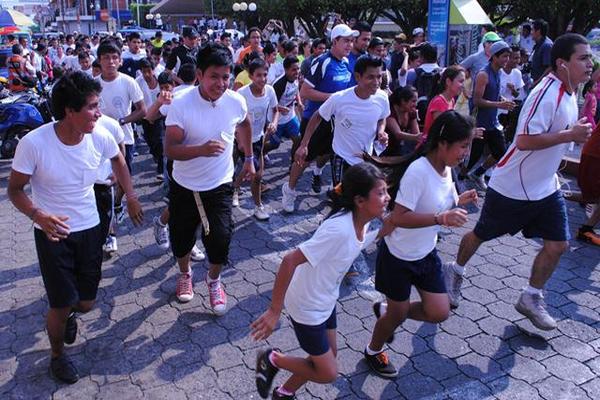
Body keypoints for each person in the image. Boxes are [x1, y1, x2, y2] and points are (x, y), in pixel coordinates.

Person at [443, 33, 594, 331]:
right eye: (584, 58)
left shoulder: (570, 92)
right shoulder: (544, 94)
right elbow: (523, 141)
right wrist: (569, 136)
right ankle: (454, 270)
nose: (590, 64)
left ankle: (531, 296)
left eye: (590, 58)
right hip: (512, 186)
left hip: (545, 187)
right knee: (481, 235)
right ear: (562, 64)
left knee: (558, 244)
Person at [7, 71, 143, 384]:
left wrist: (132, 196)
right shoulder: (34, 143)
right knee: (60, 302)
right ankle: (57, 356)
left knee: (86, 302)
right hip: (53, 234)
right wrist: (38, 216)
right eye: (93, 106)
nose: (100, 112)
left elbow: (119, 160)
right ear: (70, 111)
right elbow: (14, 190)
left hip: (91, 229)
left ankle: (71, 313)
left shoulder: (101, 134)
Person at [251, 163, 390, 400]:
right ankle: (272, 359)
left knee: (328, 355)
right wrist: (275, 310)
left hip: (325, 299)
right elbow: (289, 261)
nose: (387, 198)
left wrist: (380, 233)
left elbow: (353, 246)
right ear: (359, 200)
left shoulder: (362, 220)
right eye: (381, 193)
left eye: (387, 191)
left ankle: (284, 393)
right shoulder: (338, 229)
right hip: (307, 306)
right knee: (327, 372)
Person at [363, 111, 477, 378]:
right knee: (398, 315)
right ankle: (373, 349)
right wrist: (441, 218)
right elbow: (400, 217)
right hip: (398, 257)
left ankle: (385, 311)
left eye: (467, 146)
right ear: (443, 144)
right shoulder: (418, 171)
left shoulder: (446, 169)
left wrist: (458, 201)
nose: (465, 152)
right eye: (463, 145)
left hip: (426, 255)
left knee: (439, 312)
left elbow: (439, 200)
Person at [164, 43, 255, 311]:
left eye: (226, 76)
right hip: (185, 185)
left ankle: (214, 280)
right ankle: (185, 275)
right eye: (214, 76)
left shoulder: (236, 100)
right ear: (200, 75)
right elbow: (170, 150)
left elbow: (245, 124)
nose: (221, 83)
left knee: (220, 239)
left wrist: (248, 158)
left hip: (220, 183)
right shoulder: (181, 103)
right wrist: (201, 150)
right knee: (181, 239)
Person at [281, 24, 357, 213]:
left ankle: (324, 179)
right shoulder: (321, 62)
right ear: (335, 41)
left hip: (336, 122)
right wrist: (334, 99)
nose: (350, 44)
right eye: (346, 40)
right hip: (315, 120)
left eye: (351, 41)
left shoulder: (345, 63)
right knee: (304, 158)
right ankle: (289, 190)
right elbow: (305, 92)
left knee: (331, 155)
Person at [295, 56, 390, 187]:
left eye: (379, 77)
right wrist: (304, 145)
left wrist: (381, 132)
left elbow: (382, 118)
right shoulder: (340, 98)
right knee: (341, 195)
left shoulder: (382, 97)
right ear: (357, 77)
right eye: (370, 77)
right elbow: (317, 116)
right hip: (341, 156)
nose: (376, 82)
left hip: (366, 158)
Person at [466, 41, 515, 189]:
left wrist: (502, 100)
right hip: (480, 122)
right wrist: (499, 104)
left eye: (508, 56)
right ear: (494, 56)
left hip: (492, 123)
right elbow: (477, 100)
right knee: (473, 157)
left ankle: (477, 173)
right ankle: (460, 180)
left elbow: (493, 95)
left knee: (501, 152)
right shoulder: (483, 74)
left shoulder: (498, 72)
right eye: (504, 56)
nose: (507, 60)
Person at [234, 59, 279, 220]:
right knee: (254, 174)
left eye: (265, 75)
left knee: (255, 173)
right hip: (242, 140)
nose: (262, 79)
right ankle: (255, 204)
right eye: (258, 75)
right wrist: (239, 141)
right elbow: (234, 119)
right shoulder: (242, 94)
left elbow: (275, 110)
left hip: (259, 138)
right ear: (251, 76)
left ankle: (240, 192)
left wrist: (273, 123)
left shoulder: (270, 91)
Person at [265, 55, 303, 158]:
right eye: (293, 69)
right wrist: (282, 108)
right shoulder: (279, 84)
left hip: (290, 116)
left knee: (298, 138)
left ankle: (293, 163)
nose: (297, 72)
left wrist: (299, 102)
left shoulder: (297, 77)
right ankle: (260, 152)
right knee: (274, 144)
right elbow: (271, 104)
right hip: (276, 119)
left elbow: (296, 90)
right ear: (286, 70)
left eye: (298, 68)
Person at [136, 58, 164, 180]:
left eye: (149, 71)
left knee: (159, 140)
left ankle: (161, 169)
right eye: (144, 72)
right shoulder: (138, 82)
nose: (146, 74)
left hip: (160, 115)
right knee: (149, 140)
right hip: (145, 116)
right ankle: (155, 155)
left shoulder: (160, 80)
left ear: (153, 70)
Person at [422, 66, 465, 144]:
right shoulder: (439, 101)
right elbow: (443, 130)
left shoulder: (451, 100)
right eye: (460, 81)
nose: (463, 85)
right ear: (448, 81)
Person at [576, 123, 600, 246]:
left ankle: (586, 229)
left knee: (593, 196)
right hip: (596, 156)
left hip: (593, 154)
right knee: (592, 197)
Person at [381, 86, 421, 156]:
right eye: (413, 101)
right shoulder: (390, 111)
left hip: (399, 149)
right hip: (384, 150)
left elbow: (416, 133)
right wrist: (416, 137)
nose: (416, 104)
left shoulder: (412, 112)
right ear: (403, 101)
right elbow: (398, 134)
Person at [498, 45, 526, 142]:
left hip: (509, 113)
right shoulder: (499, 72)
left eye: (518, 58)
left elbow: (517, 95)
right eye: (515, 58)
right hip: (497, 111)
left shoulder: (517, 73)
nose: (517, 61)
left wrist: (513, 90)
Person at [347, 21, 372, 86]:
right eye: (364, 39)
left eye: (368, 40)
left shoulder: (368, 59)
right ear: (354, 39)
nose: (367, 44)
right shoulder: (343, 58)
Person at [530, 19, 553, 87]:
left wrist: (537, 83)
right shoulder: (539, 44)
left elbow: (550, 68)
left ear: (538, 31)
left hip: (541, 85)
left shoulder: (547, 46)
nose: (531, 32)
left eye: (532, 30)